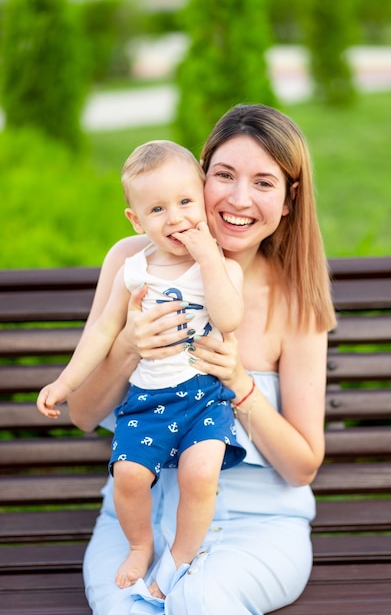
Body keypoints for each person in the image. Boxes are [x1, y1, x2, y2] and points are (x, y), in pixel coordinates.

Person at [67, 104, 336, 615]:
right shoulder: (132, 262)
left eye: (263, 182)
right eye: (225, 176)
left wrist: (238, 381)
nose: (238, 199)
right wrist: (128, 345)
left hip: (258, 527)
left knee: (201, 601)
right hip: (141, 525)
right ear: (199, 176)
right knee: (128, 609)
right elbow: (82, 415)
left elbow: (303, 466)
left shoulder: (295, 297)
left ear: (288, 200)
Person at [36, 140, 246, 598]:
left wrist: (210, 258)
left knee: (200, 473)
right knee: (128, 477)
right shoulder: (134, 270)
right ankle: (139, 544)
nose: (176, 219)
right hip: (148, 399)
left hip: (203, 397)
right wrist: (65, 382)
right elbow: (100, 335)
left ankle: (181, 556)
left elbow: (229, 319)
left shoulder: (221, 268)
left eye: (186, 202)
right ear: (136, 219)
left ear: (204, 199)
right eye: (157, 209)